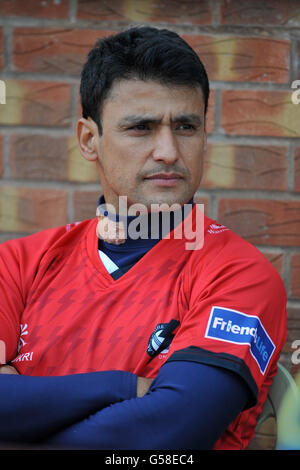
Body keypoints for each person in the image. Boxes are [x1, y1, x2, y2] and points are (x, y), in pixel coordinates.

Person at [0, 26, 286, 450]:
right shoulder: (19, 263)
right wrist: (125, 387)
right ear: (89, 140)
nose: (169, 151)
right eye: (141, 128)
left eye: (186, 126)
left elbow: (165, 435)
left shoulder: (239, 274)